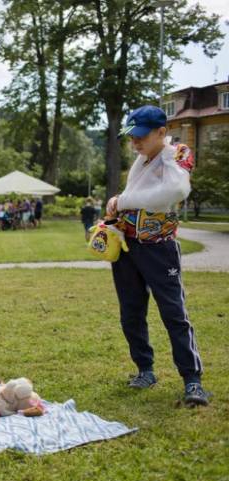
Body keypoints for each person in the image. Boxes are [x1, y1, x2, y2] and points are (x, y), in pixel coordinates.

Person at [107, 104, 209, 407]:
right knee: (131, 312)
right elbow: (136, 198)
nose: (135, 142)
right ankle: (145, 370)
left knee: (174, 313)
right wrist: (116, 206)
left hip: (159, 249)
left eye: (141, 135)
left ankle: (192, 380)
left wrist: (123, 200)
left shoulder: (176, 153)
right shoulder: (142, 159)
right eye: (131, 136)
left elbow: (175, 192)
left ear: (162, 132)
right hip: (128, 246)